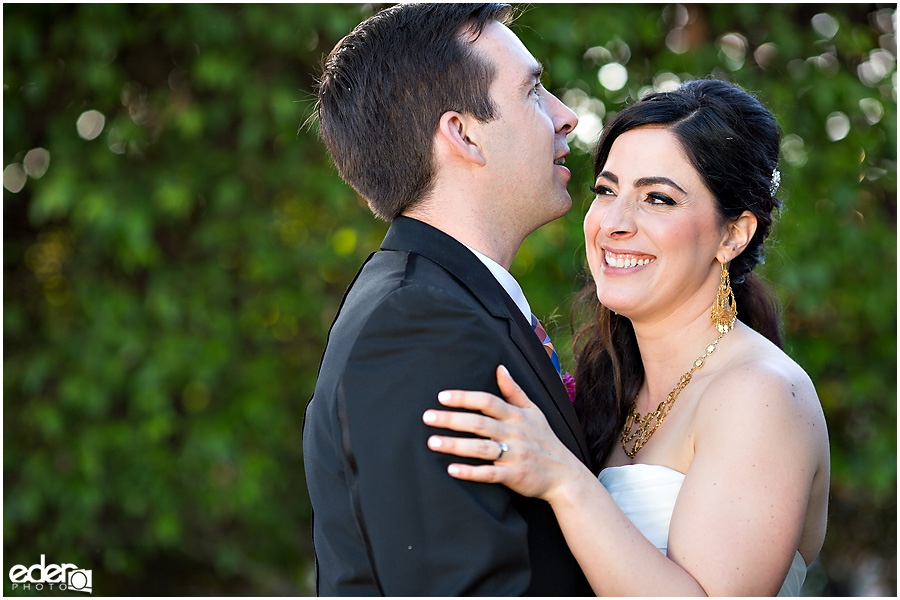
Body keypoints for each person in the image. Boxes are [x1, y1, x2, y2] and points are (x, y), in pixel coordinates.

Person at [423, 79, 831, 596]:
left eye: (657, 198)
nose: (614, 223)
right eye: (607, 191)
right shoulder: (612, 385)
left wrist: (563, 480)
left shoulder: (761, 393)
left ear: (733, 234)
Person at [302, 3, 594, 595]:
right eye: (534, 92)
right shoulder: (415, 324)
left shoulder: (448, 299)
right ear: (463, 133)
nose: (567, 118)